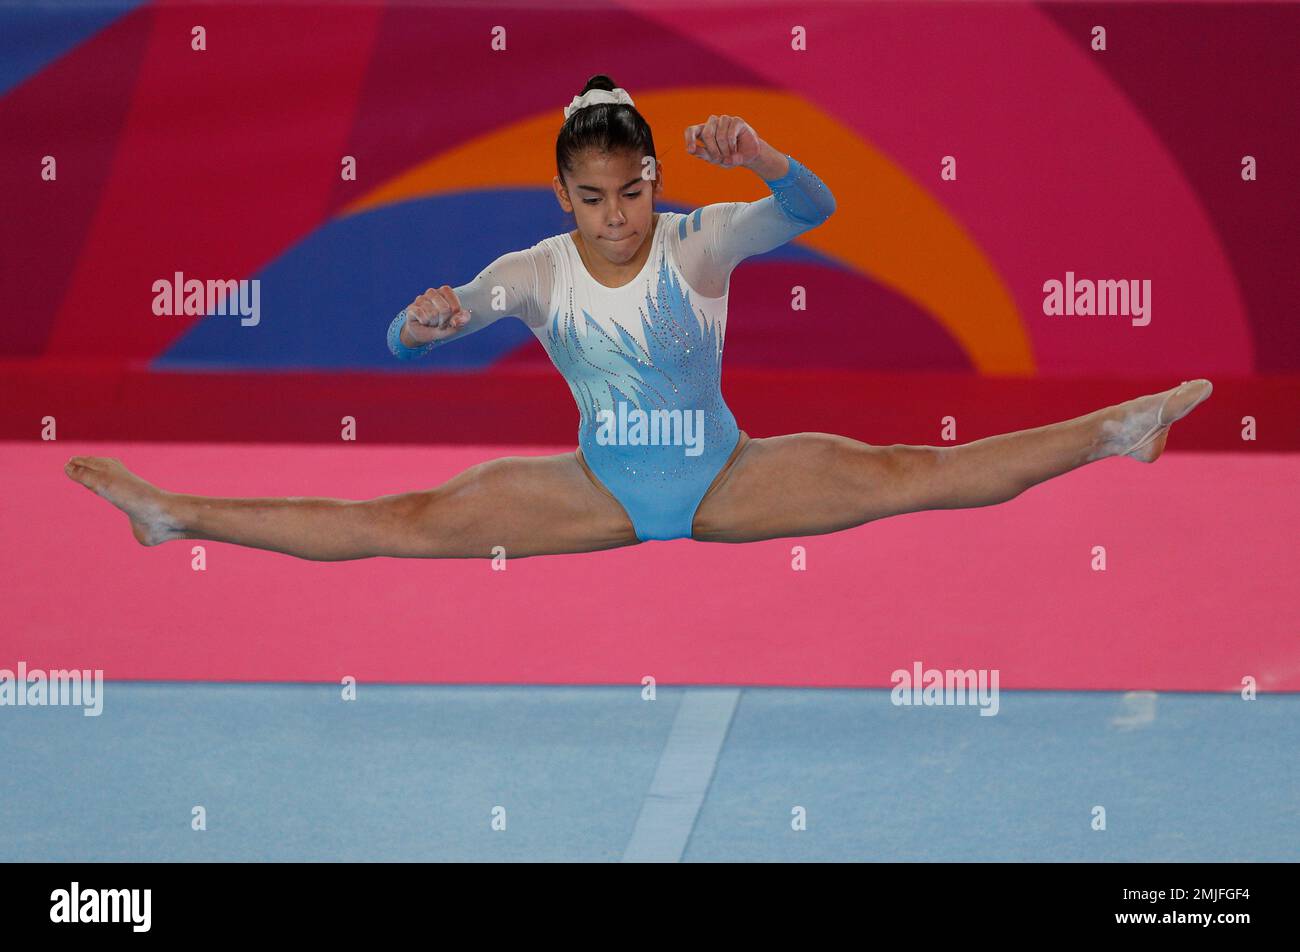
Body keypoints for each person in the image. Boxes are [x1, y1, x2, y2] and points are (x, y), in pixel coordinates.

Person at [64, 75, 1213, 561]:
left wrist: (762, 154)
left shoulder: (701, 240)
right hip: (594, 487)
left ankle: (1119, 429)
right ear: (564, 198)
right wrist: (421, 324)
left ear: (657, 181)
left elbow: (810, 209)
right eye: (595, 199)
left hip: (727, 473)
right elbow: (412, 340)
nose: (618, 217)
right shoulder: (535, 267)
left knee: (911, 470)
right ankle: (177, 514)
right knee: (400, 518)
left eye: (634, 192)